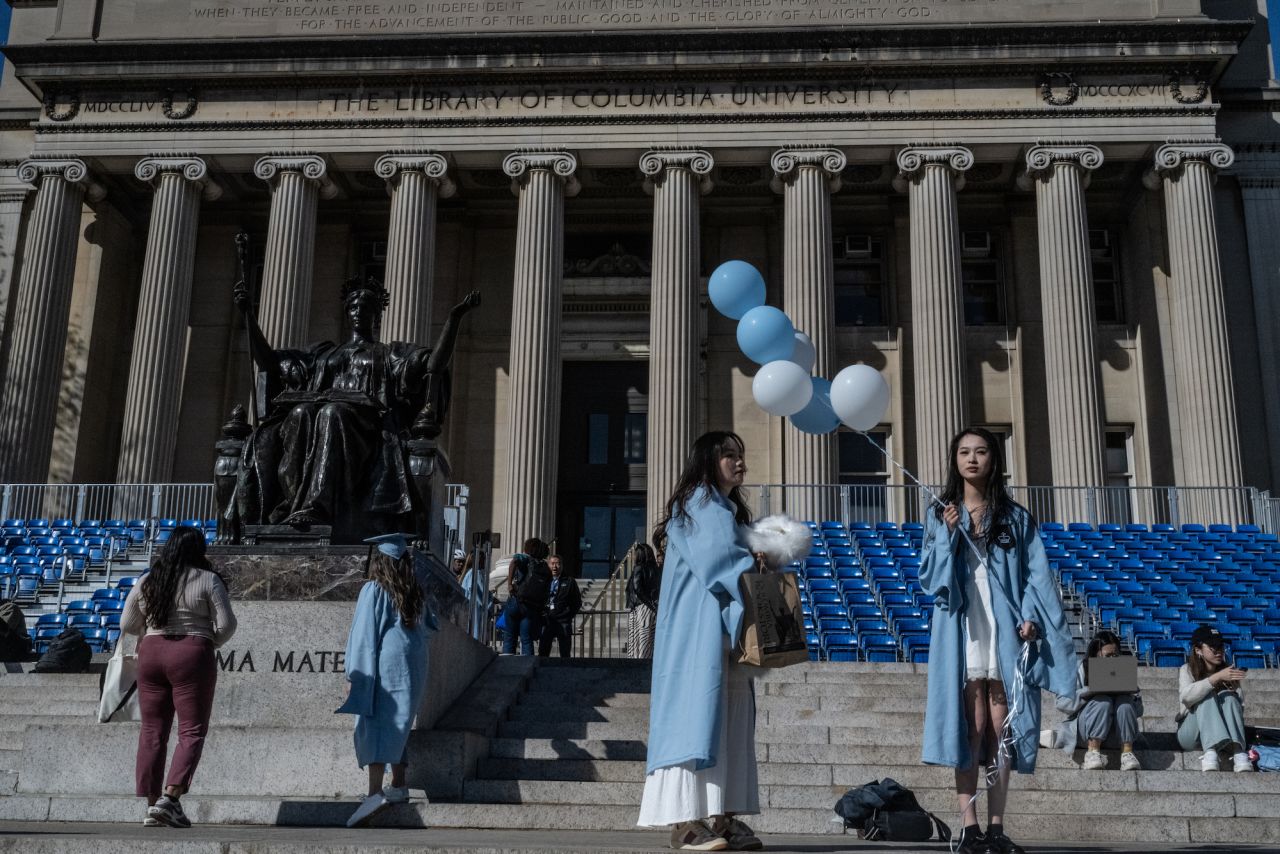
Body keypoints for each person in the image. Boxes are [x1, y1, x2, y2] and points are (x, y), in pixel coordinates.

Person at [920, 427, 1076, 854]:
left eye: (981, 451)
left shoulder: (1016, 517)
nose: (972, 459)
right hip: (962, 625)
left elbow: (1035, 576)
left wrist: (1030, 617)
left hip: (1004, 626)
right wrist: (950, 534)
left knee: (1001, 726)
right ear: (955, 460)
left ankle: (996, 826)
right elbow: (931, 578)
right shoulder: (940, 513)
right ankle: (969, 825)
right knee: (971, 724)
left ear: (995, 459)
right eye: (964, 452)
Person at [232, 277, 479, 536]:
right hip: (322, 421)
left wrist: (454, 319)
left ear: (376, 315)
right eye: (354, 307)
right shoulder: (323, 354)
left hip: (369, 428)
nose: (359, 312)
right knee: (300, 413)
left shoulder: (389, 354)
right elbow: (269, 363)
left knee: (332, 412)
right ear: (346, 312)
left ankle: (317, 505)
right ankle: (294, 503)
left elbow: (433, 366)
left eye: (366, 308)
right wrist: (249, 315)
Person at [638, 431, 764, 852]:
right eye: (729, 455)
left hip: (722, 632)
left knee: (727, 718)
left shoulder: (724, 509)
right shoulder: (698, 504)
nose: (739, 462)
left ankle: (721, 815)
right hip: (698, 633)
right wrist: (759, 558)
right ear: (708, 461)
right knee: (697, 718)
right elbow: (720, 561)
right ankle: (684, 823)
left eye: (740, 455)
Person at [120, 525, 237, 829]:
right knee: (192, 730)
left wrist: (151, 633)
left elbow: (127, 622)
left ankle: (151, 803)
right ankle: (171, 798)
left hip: (152, 652)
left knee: (152, 730)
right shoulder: (208, 579)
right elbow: (226, 624)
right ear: (199, 550)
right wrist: (209, 640)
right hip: (191, 651)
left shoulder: (148, 580)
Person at [337, 533, 439, 827]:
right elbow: (432, 625)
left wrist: (354, 672)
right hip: (414, 661)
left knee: (377, 721)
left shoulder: (375, 589)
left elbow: (364, 634)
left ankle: (374, 793)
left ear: (379, 561)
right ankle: (399, 784)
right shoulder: (415, 591)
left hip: (386, 661)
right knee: (399, 723)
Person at [1046, 629, 1143, 771]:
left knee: (1125, 703)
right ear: (1096, 654)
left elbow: (1139, 712)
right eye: (1107, 656)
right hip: (1086, 733)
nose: (1112, 660)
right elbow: (1061, 702)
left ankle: (1127, 753)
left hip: (1115, 734)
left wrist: (1132, 695)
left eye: (1115, 655)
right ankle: (1092, 753)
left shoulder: (1122, 671)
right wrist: (1090, 691)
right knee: (1102, 701)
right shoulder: (1080, 668)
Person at [1177, 625, 1253, 772]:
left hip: (1225, 736)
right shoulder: (1186, 669)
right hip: (1192, 735)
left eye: (1221, 646)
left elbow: (1240, 708)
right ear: (1198, 650)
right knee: (1206, 695)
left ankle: (1239, 753)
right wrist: (1216, 678)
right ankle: (1210, 752)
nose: (1219, 650)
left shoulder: (1230, 673)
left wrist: (1231, 690)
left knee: (1230, 698)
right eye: (1213, 646)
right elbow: (1186, 698)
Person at [501, 538, 552, 655]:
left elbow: (514, 561)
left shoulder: (525, 558)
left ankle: (507, 664)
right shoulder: (545, 568)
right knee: (526, 638)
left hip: (517, 601)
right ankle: (527, 666)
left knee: (509, 635)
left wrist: (509, 584)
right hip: (531, 607)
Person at [538, 555, 582, 657]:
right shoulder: (543, 580)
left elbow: (577, 602)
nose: (555, 566)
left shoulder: (570, 581)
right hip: (547, 620)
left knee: (565, 652)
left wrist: (568, 615)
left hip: (563, 621)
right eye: (552, 564)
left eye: (557, 563)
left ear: (562, 565)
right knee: (543, 652)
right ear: (548, 565)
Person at [626, 543, 661, 659]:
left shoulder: (639, 568)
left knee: (638, 641)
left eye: (635, 554)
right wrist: (653, 606)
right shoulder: (656, 569)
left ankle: (637, 668)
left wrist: (648, 604)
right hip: (652, 608)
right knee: (649, 641)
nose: (633, 556)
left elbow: (637, 589)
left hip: (641, 607)